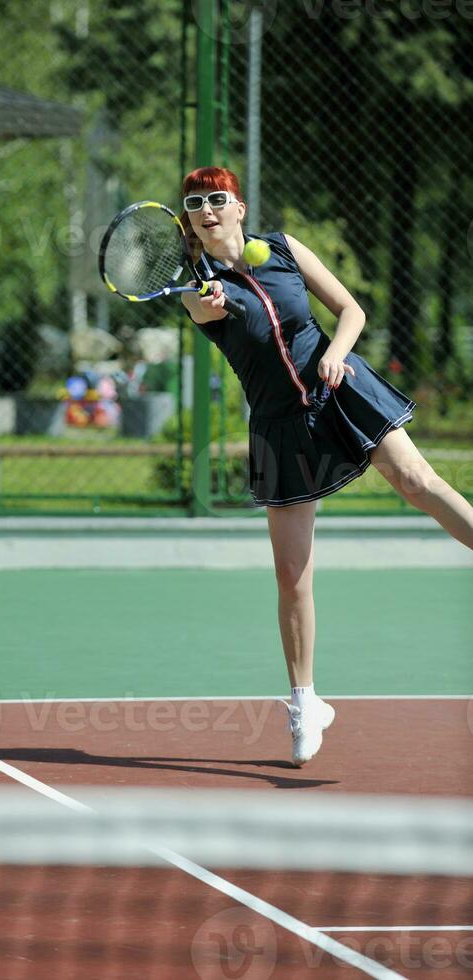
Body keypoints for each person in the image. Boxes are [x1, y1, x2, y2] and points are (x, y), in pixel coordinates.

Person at [180, 166, 473, 767]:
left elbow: (350, 309)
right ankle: (304, 701)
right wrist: (210, 299)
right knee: (293, 575)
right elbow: (205, 315)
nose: (206, 209)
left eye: (217, 198)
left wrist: (338, 355)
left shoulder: (285, 249)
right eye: (194, 203)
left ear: (238, 207)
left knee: (419, 481)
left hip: (341, 388)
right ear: (189, 221)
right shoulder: (196, 287)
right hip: (278, 426)